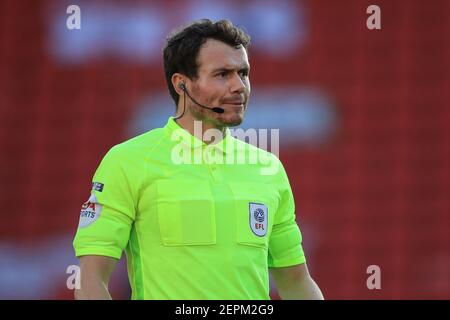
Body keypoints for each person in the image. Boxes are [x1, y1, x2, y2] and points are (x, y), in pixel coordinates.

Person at [73, 19, 323, 300]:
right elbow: (91, 278)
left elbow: (296, 282)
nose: (239, 86)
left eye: (243, 73)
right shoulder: (128, 161)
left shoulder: (268, 168)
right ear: (182, 85)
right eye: (222, 74)